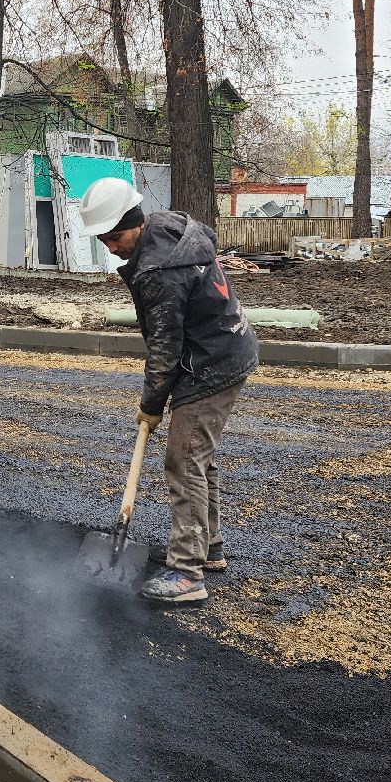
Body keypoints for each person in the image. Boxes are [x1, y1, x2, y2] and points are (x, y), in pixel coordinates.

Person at [78, 177, 259, 603]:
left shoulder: (160, 272)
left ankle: (187, 574)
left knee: (182, 461)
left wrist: (151, 406)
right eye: (103, 239)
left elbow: (165, 350)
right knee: (197, 457)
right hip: (226, 346)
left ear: (135, 222)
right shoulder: (167, 228)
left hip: (211, 363)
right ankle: (206, 548)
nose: (110, 247)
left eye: (115, 237)